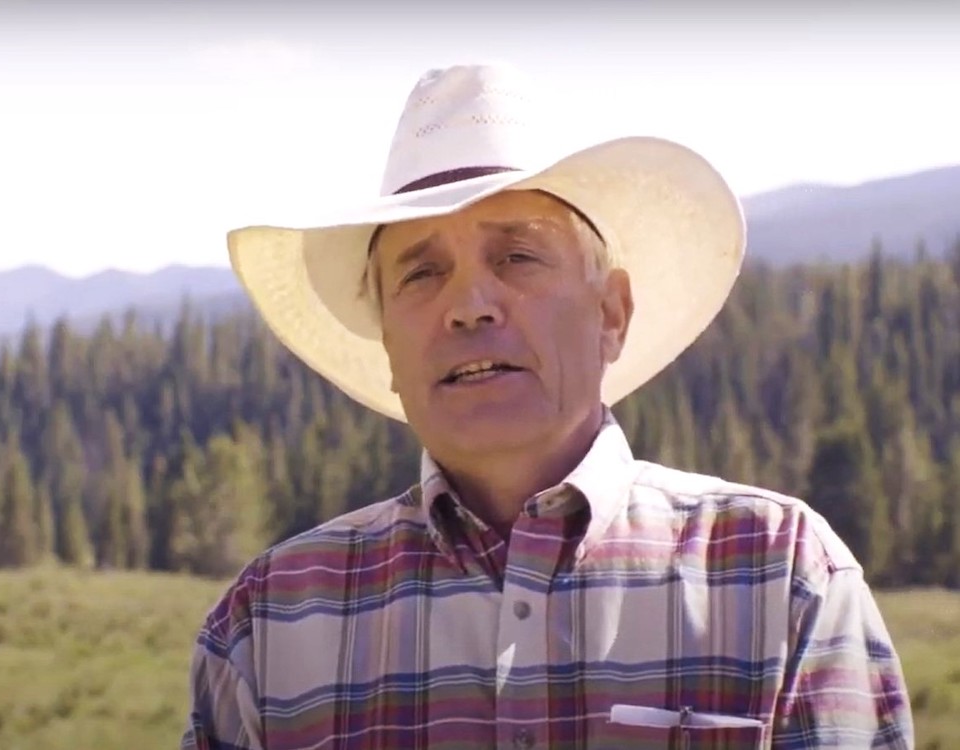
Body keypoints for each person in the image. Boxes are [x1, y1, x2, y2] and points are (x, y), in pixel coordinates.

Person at [181, 63, 914, 749]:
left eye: (518, 257)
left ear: (611, 313)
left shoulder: (777, 573)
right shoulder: (270, 623)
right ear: (389, 346)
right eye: (422, 273)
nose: (468, 305)